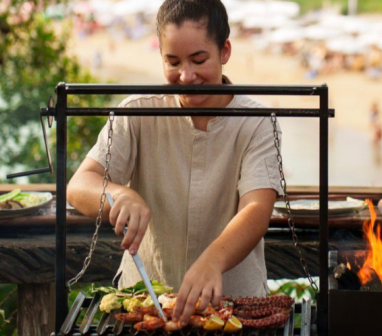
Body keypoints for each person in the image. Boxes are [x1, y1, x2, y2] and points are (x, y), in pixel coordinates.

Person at [67, 0, 283, 328]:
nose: (186, 75)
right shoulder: (137, 111)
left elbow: (257, 208)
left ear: (225, 51)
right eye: (172, 61)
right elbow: (80, 185)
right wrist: (117, 193)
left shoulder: (256, 121)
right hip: (145, 300)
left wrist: (213, 260)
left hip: (234, 305)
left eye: (199, 60)